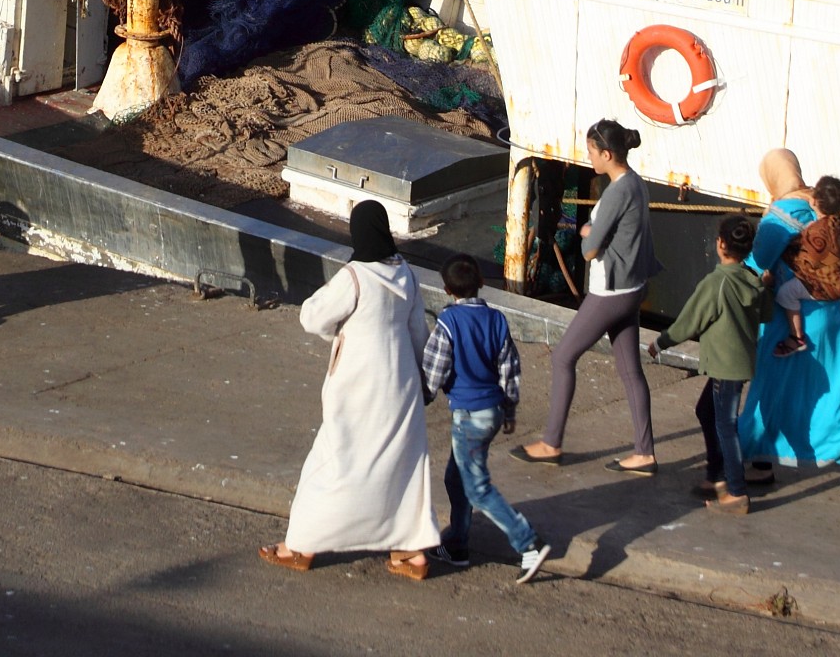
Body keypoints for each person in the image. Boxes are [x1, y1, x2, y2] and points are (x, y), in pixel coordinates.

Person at [263, 201, 441, 580]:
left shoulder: (354, 275)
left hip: (359, 381)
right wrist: (424, 383)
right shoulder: (406, 273)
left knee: (334, 458)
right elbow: (418, 334)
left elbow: (311, 317)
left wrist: (339, 332)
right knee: (402, 463)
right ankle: (412, 553)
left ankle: (300, 545)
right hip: (402, 382)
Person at [516, 119, 659, 475]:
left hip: (610, 290)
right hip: (633, 285)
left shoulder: (615, 191)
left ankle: (551, 442)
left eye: (592, 152)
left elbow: (590, 251)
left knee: (563, 357)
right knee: (630, 370)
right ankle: (644, 452)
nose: (589, 157)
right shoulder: (636, 183)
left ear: (607, 154)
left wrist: (585, 231)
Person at [737, 148, 840, 494]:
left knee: (769, 386)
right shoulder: (825, 208)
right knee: (834, 385)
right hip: (830, 311)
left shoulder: (780, 214)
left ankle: (757, 460)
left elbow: (757, 265)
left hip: (791, 318)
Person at [419, 253, 550, 582]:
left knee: (477, 488)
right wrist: (509, 409)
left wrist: (420, 398)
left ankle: (528, 542)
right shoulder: (497, 320)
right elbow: (510, 368)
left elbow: (434, 371)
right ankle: (457, 545)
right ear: (481, 283)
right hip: (492, 411)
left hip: (469, 415)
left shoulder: (448, 322)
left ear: (447, 290)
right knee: (456, 477)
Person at [653, 214, 768, 515]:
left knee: (725, 425)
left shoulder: (716, 283)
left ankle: (736, 492)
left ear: (720, 244)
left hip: (724, 367)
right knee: (706, 412)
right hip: (739, 363)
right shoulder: (752, 280)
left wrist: (661, 342)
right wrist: (765, 286)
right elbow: (766, 313)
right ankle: (715, 472)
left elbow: (689, 323)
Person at [774, 176, 840, 358]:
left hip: (825, 287)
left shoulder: (815, 232)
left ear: (813, 200)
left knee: (785, 294)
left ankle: (796, 338)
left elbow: (799, 256)